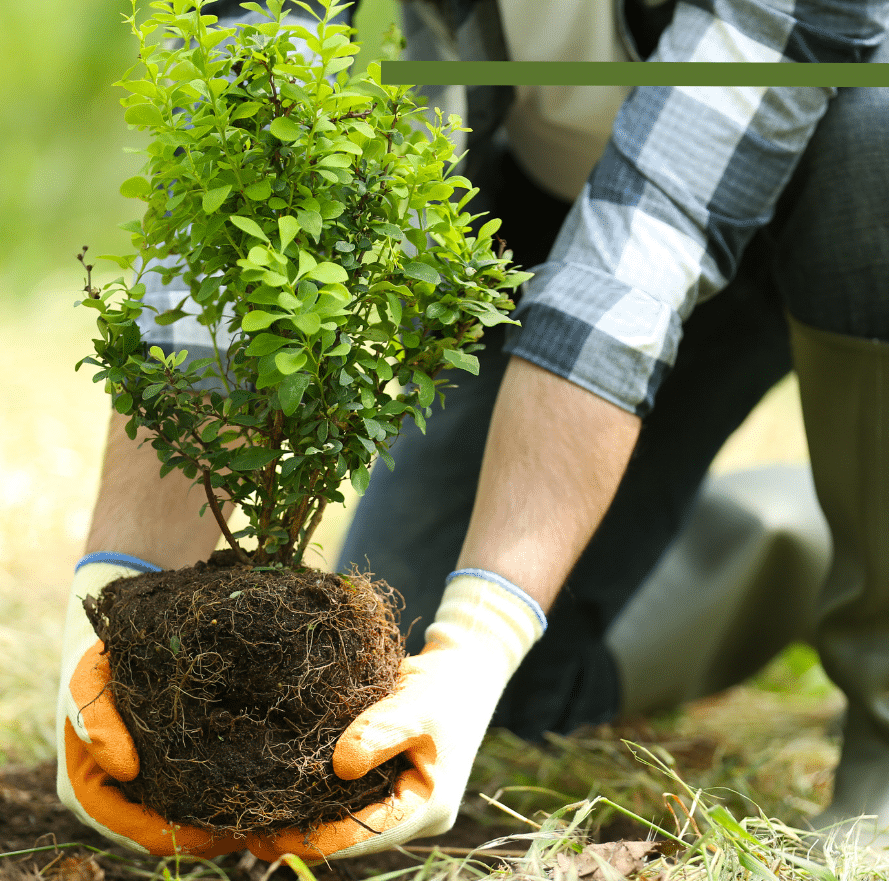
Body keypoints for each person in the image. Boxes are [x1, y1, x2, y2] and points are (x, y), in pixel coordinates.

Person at [56, 0, 889, 861]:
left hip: (818, 210)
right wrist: (116, 598)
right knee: (437, 685)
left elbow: (639, 252)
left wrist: (483, 633)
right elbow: (244, 126)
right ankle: (808, 534)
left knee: (878, 132)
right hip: (542, 214)